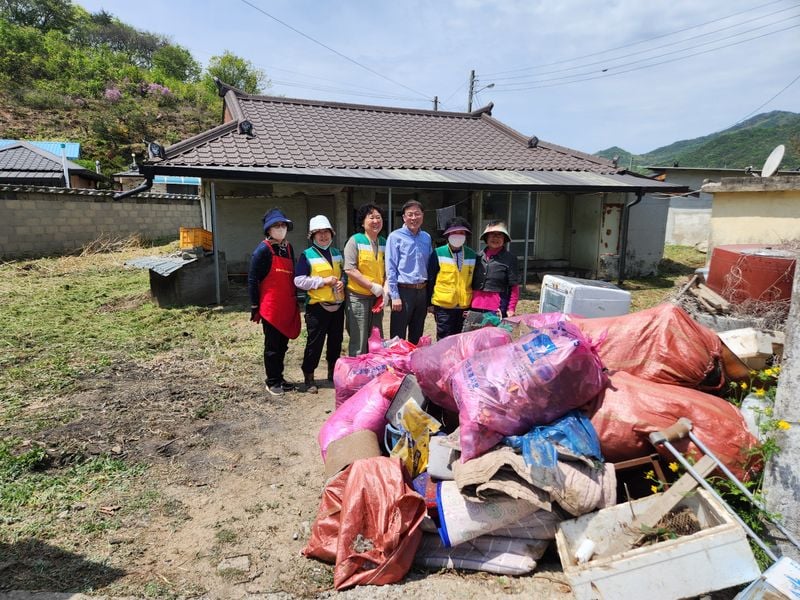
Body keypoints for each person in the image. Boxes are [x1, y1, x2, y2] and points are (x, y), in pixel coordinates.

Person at [248, 208, 301, 397]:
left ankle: (279, 377)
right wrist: (255, 306)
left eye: (283, 225)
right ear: (268, 230)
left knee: (283, 345)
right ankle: (272, 381)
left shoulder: (288, 248)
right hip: (270, 307)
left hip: (286, 304)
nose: (280, 228)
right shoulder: (263, 250)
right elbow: (253, 279)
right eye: (276, 226)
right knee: (272, 347)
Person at [294, 215, 345, 393]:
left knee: (336, 341)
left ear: (332, 234)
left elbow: (343, 274)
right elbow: (299, 280)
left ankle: (332, 372)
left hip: (337, 305)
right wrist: (322, 281)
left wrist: (342, 282)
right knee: (315, 343)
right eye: (319, 233)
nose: (323, 236)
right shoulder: (307, 255)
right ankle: (309, 376)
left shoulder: (337, 253)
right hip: (317, 307)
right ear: (312, 236)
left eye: (326, 232)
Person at [384, 200, 432, 345]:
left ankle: (413, 360)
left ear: (422, 216)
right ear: (404, 217)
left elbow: (430, 266)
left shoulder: (426, 237)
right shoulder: (395, 237)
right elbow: (390, 267)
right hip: (403, 291)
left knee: (417, 335)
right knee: (397, 337)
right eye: (410, 214)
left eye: (417, 214)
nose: (414, 218)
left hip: (422, 291)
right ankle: (397, 360)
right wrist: (395, 296)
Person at [343, 204, 386, 356]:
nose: (376, 221)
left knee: (376, 336)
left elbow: (389, 269)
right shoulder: (355, 241)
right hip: (358, 297)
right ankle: (358, 368)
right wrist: (371, 286)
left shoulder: (384, 242)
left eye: (378, 217)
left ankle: (374, 366)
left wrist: (385, 291)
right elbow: (349, 269)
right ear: (362, 222)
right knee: (359, 338)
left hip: (377, 298)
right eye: (371, 217)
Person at [427, 216, 476, 340]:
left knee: (462, 338)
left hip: (465, 305)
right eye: (454, 233)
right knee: (445, 338)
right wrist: (429, 303)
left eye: (461, 233)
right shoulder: (438, 253)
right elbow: (431, 279)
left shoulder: (472, 254)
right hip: (444, 306)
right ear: (448, 235)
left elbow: (475, 280)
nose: (458, 236)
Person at [471, 220, 520, 318]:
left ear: (504, 239)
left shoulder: (510, 259)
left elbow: (514, 286)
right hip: (475, 305)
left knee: (494, 328)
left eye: (499, 235)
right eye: (492, 235)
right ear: (486, 237)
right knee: (474, 328)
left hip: (497, 308)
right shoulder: (477, 257)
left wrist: (511, 308)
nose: (495, 238)